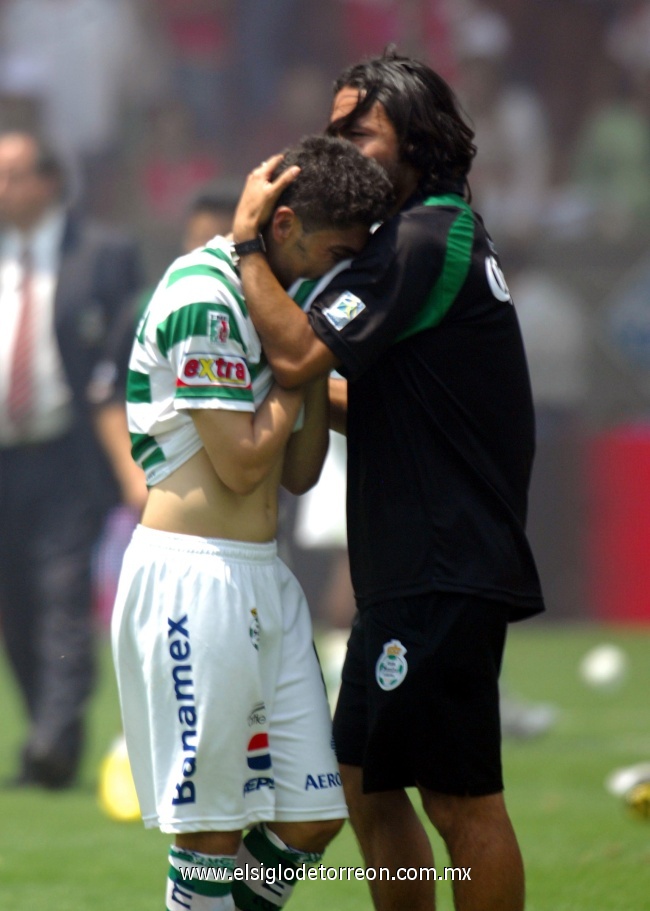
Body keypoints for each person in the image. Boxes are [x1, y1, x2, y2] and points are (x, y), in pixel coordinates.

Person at [232, 49, 545, 911]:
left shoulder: (419, 236)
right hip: (414, 564)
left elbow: (297, 353)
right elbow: (380, 405)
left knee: (459, 798)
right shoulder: (429, 235)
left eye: (357, 131)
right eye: (332, 129)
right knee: (364, 785)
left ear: (417, 137)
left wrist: (245, 242)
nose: (338, 146)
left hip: (442, 563)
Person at [110, 134, 392, 911]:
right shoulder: (204, 290)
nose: (342, 265)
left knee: (312, 815)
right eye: (336, 248)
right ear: (287, 222)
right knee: (211, 832)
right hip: (191, 577)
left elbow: (297, 472)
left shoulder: (285, 303)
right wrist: (297, 367)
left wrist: (300, 357)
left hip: (264, 574)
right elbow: (240, 462)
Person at [0, 130, 145, 788]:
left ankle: (56, 737)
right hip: (4, 456)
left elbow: (131, 353)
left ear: (50, 181)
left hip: (70, 454)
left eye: (11, 175)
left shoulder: (103, 254)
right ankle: (45, 734)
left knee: (61, 592)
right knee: (15, 598)